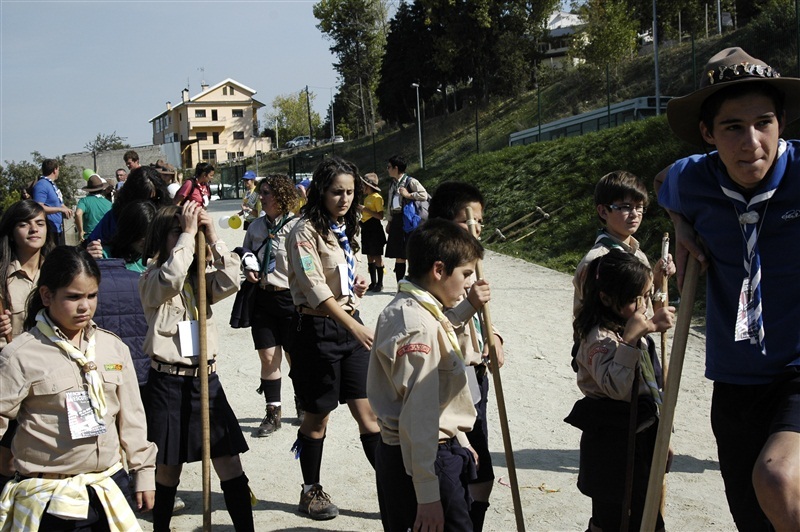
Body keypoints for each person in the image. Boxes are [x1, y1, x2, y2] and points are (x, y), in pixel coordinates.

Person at [654, 47, 800, 531]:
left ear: (782, 123)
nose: (751, 142)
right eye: (733, 128)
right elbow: (662, 182)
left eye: (764, 123)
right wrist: (679, 222)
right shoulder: (693, 178)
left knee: (777, 479)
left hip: (797, 369)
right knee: (754, 517)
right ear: (707, 133)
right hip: (735, 379)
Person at [0, 246, 157, 530]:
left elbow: (132, 419)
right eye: (73, 297)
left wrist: (143, 472)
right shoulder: (20, 355)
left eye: (92, 295)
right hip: (48, 498)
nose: (85, 306)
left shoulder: (113, 348)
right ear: (47, 295)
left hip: (108, 487)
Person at [139, 202, 252, 531]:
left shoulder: (200, 282)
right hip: (168, 384)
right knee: (168, 467)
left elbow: (232, 279)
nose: (191, 236)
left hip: (206, 380)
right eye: (178, 230)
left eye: (190, 230)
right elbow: (171, 277)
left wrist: (212, 234)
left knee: (229, 461)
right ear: (163, 238)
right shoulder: (151, 278)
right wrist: (188, 233)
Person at [368, 218, 486, 531]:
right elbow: (417, 414)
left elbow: (443, 334)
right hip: (422, 459)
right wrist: (428, 494)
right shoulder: (415, 324)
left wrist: (458, 437)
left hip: (431, 450)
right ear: (438, 270)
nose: (468, 285)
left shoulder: (422, 311)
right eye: (465, 275)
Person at [286, 156, 381, 520]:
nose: (344, 199)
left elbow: (338, 280)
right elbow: (314, 288)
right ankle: (311, 491)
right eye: (336, 192)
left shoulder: (342, 228)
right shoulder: (304, 231)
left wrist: (357, 286)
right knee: (318, 417)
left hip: (349, 325)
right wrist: (354, 324)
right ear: (319, 192)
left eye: (350, 192)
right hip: (317, 332)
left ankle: (392, 484)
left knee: (368, 413)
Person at [565, 249, 675, 532]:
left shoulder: (628, 320)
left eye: (646, 296)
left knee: (646, 516)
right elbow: (616, 386)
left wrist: (662, 438)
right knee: (616, 520)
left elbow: (652, 386)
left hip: (642, 437)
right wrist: (630, 341)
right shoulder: (598, 338)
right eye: (634, 299)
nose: (643, 307)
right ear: (606, 299)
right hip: (613, 447)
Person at [427, 181, 504, 531]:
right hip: (447, 385)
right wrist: (470, 305)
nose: (476, 229)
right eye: (467, 221)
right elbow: (435, 324)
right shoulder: (435, 268)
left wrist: (494, 337)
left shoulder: (470, 263)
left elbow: (482, 318)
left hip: (476, 379)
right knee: (455, 470)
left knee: (482, 472)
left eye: (480, 222)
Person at [237, 174, 300, 436]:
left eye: (265, 193)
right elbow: (245, 252)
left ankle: (303, 401)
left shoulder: (298, 227)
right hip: (263, 297)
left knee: (294, 357)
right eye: (260, 192)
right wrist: (246, 266)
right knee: (267, 356)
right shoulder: (256, 227)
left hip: (291, 300)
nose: (260, 198)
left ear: (282, 197)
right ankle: (273, 411)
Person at [573, 171, 673, 318]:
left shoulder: (639, 256)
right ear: (603, 211)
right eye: (625, 207)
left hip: (638, 341)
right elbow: (590, 324)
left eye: (639, 207)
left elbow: (652, 314)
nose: (634, 214)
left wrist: (659, 280)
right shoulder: (597, 262)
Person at [86, 165, 172, 245]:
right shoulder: (114, 218)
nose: (149, 207)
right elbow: (91, 244)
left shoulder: (165, 218)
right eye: (142, 201)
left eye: (153, 200)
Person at [385, 155, 427, 286]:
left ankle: (414, 283)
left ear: (396, 168)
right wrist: (389, 221)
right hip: (397, 220)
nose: (387, 169)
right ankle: (400, 284)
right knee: (399, 254)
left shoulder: (410, 181)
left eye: (389, 167)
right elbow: (390, 204)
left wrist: (408, 195)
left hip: (408, 220)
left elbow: (423, 194)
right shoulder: (392, 183)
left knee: (410, 252)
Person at [31, 158, 72, 246]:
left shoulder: (52, 185)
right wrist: (60, 209)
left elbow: (60, 203)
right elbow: (38, 207)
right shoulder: (42, 185)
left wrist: (67, 209)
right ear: (55, 170)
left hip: (57, 228)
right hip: (49, 230)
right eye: (58, 169)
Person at [359, 172, 386, 292]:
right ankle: (373, 282)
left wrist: (365, 209)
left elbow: (380, 216)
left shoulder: (377, 197)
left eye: (364, 185)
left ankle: (380, 283)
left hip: (375, 228)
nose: (362, 187)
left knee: (377, 256)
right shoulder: (366, 198)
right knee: (369, 256)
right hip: (366, 228)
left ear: (368, 186)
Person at [76, 174, 113, 240]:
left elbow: (78, 214)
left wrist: (80, 231)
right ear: (102, 189)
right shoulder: (109, 204)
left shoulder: (84, 201)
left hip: (89, 237)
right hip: (105, 238)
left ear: (89, 190)